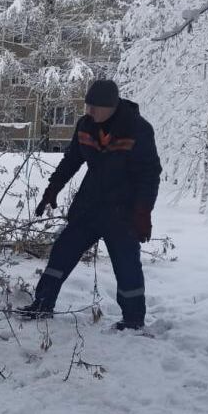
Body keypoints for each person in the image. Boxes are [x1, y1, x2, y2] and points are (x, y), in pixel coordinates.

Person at [17, 79, 162, 330]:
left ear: (112, 106)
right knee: (61, 254)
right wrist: (53, 189)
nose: (89, 112)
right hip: (89, 206)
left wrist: (142, 212)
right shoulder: (85, 126)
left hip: (122, 212)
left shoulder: (137, 129)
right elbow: (72, 160)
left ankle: (133, 319)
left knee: (127, 265)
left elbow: (150, 174)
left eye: (95, 107)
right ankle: (42, 304)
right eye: (87, 106)